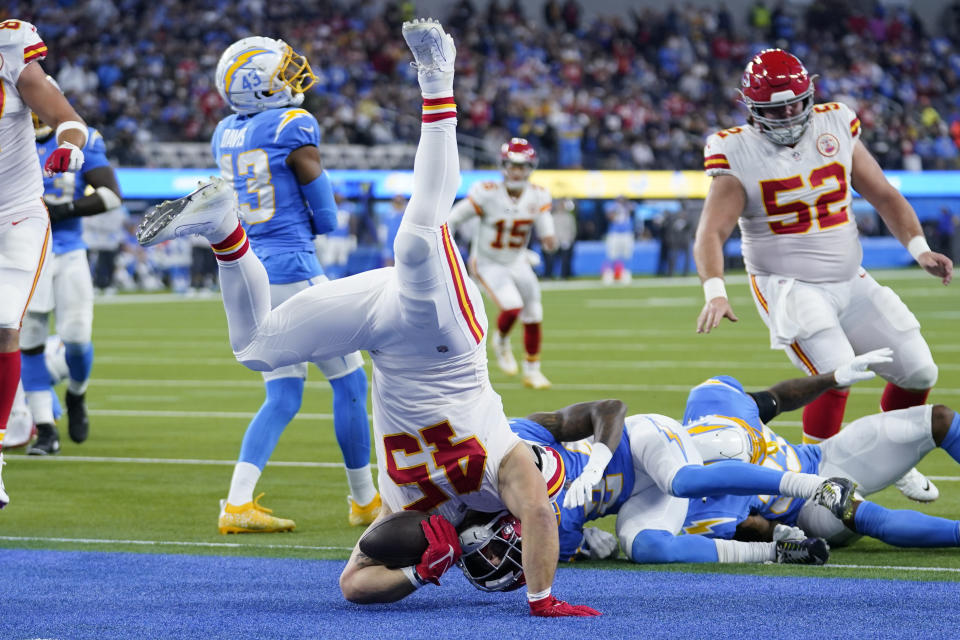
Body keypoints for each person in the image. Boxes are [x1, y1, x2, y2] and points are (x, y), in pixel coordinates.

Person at [137, 19, 597, 617]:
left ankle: (224, 230)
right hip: (445, 337)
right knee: (416, 237)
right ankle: (438, 79)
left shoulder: (406, 509)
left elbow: (354, 584)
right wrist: (542, 599)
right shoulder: (511, 469)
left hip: (380, 329)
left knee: (257, 347)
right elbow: (539, 510)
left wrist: (429, 565)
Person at [692, 49, 953, 496]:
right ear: (753, 108)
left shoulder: (835, 123)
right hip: (788, 285)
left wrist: (920, 248)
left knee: (919, 371)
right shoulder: (736, 150)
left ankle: (891, 456)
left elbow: (885, 194)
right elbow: (710, 233)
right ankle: (821, 482)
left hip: (851, 279)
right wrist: (715, 291)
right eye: (777, 107)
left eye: (796, 102)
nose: (791, 113)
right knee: (836, 372)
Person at [209, 35, 378, 532]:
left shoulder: (224, 132)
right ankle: (365, 500)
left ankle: (237, 503)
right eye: (281, 72)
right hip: (295, 269)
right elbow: (325, 217)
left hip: (252, 268)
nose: (291, 77)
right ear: (257, 87)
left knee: (282, 396)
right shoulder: (292, 125)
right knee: (350, 381)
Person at [507, 387, 864, 566]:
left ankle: (819, 487)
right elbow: (587, 547)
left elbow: (612, 409)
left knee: (682, 480)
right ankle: (776, 551)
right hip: (636, 497)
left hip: (641, 441)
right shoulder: (549, 527)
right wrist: (586, 543)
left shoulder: (518, 436)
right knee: (647, 548)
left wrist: (596, 465)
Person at [681, 363, 960, 552]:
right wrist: (780, 535)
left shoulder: (715, 401)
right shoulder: (706, 509)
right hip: (805, 510)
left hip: (818, 457)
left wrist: (833, 378)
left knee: (939, 419)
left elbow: (778, 397)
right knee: (862, 515)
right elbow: (762, 529)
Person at [0, 18, 89, 509]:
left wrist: (69, 147)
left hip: (15, 214)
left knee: (3, 320)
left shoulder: (10, 48)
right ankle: (16, 422)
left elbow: (66, 116)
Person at [22, 81, 123, 455]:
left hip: (66, 249)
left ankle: (77, 394)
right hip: (23, 253)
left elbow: (111, 196)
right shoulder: (8, 138)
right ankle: (45, 430)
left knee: (77, 336)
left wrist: (64, 210)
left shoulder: (82, 137)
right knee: (29, 337)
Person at [447, 137, 557, 389]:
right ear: (503, 166)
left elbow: (544, 225)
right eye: (512, 165)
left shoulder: (538, 195)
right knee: (512, 306)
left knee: (534, 311)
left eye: (522, 166)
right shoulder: (487, 193)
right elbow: (453, 218)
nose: (517, 171)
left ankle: (532, 370)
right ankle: (501, 341)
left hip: (517, 259)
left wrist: (549, 237)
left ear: (531, 168)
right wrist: (449, 249)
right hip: (488, 262)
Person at [601, 196, 634, 284]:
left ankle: (625, 274)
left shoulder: (628, 206)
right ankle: (608, 275)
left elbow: (633, 208)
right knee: (611, 255)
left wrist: (625, 207)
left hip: (626, 233)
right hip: (614, 233)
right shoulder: (611, 206)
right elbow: (609, 216)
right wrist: (616, 210)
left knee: (627, 255)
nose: (621, 201)